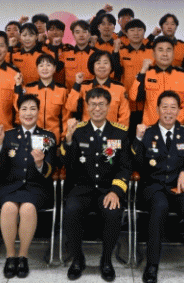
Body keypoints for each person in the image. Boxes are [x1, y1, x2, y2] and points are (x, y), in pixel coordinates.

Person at [132, 91, 184, 283]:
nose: (168, 111)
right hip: (154, 187)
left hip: (180, 186)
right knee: (159, 206)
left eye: (173, 107)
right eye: (164, 107)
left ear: (179, 110)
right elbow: (137, 163)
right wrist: (138, 139)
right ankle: (152, 265)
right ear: (157, 109)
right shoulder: (147, 133)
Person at [61, 87, 131, 282]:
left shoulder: (120, 133)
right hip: (82, 188)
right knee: (71, 210)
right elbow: (68, 165)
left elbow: (125, 168)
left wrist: (116, 191)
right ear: (87, 106)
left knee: (113, 212)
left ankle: (106, 260)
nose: (97, 108)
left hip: (108, 189)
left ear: (108, 106)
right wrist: (68, 139)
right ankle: (77, 259)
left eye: (101, 104)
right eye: (93, 104)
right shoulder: (78, 131)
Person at [0, 94, 56, 279]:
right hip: (10, 186)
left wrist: (40, 164)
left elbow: (50, 171)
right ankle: (10, 255)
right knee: (8, 208)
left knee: (27, 209)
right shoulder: (8, 135)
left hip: (36, 187)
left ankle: (23, 256)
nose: (28, 113)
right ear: (18, 112)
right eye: (24, 109)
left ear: (38, 112)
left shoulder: (47, 136)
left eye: (33, 109)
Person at [129, 36, 184, 127]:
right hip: (150, 128)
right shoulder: (146, 74)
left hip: (175, 128)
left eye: (168, 50)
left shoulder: (183, 75)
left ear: (173, 53)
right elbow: (134, 97)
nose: (165, 54)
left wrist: (174, 122)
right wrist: (142, 71)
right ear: (153, 54)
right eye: (160, 50)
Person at [67, 50, 130, 128]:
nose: (102, 66)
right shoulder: (84, 86)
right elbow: (70, 107)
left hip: (111, 132)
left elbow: (124, 116)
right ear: (92, 66)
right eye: (98, 63)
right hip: (87, 131)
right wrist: (77, 84)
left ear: (111, 66)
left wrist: (118, 133)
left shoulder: (120, 88)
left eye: (105, 63)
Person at [14, 54, 69, 142]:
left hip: (54, 139)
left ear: (54, 68)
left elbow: (66, 118)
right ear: (37, 69)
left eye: (48, 65)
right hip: (31, 138)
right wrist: (18, 86)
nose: (45, 68)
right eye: (41, 65)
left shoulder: (62, 90)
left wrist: (63, 139)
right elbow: (18, 109)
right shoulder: (29, 88)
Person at [115, 19, 153, 134]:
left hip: (147, 103)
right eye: (132, 30)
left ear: (144, 32)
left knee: (146, 135)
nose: (136, 33)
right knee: (126, 134)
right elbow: (116, 74)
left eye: (139, 30)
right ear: (126, 33)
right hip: (126, 102)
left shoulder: (152, 52)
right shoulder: (121, 52)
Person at [58, 20, 97, 89]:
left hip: (91, 93)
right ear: (73, 35)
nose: (81, 35)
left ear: (89, 34)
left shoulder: (96, 54)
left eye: (84, 32)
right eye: (77, 32)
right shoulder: (65, 54)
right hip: (70, 93)